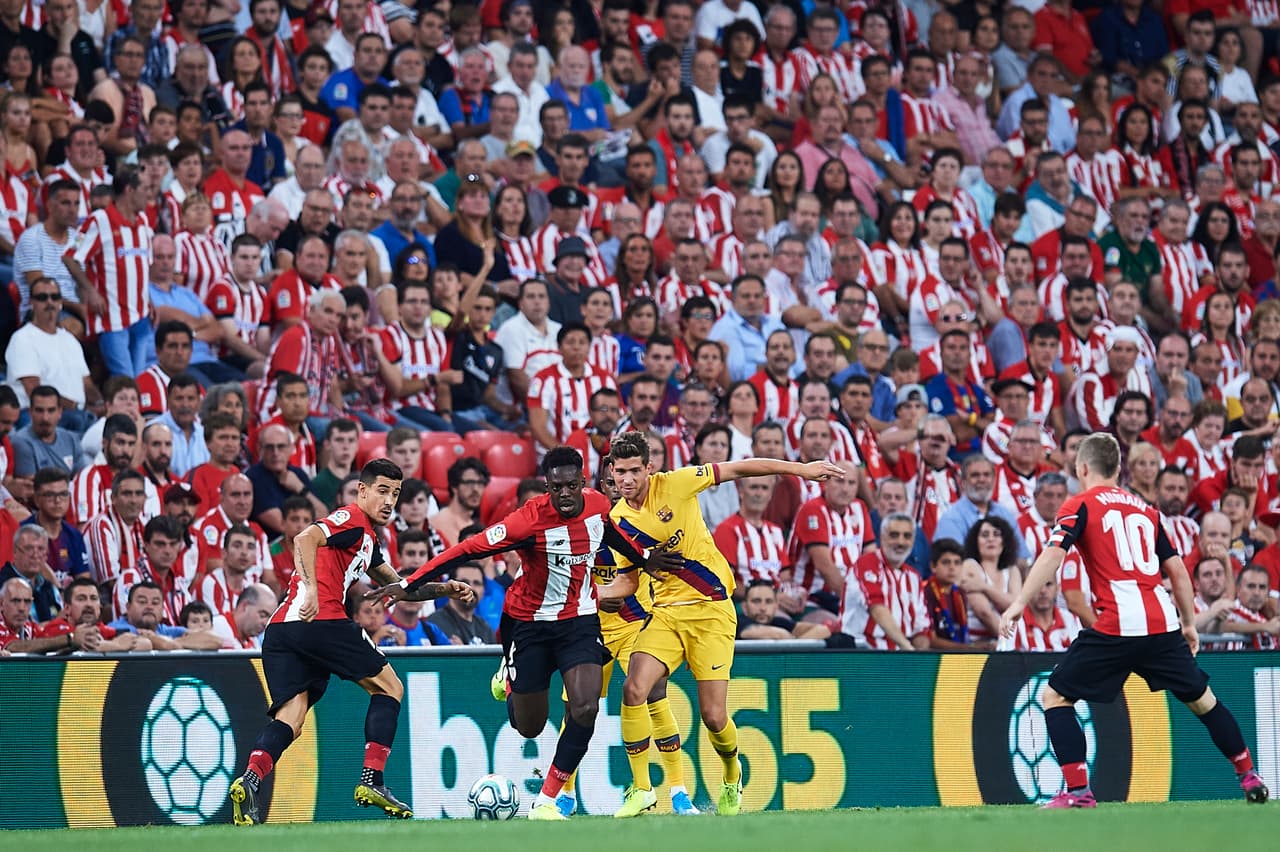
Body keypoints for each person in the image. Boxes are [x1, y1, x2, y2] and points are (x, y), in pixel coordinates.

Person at [372, 445, 681, 821]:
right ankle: (510, 673)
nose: (564, 495)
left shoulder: (599, 505)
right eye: (556, 488)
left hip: (579, 621)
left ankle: (547, 800)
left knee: (585, 708)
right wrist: (410, 582)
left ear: (581, 482)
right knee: (530, 727)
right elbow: (467, 550)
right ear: (547, 487)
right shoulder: (527, 521)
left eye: (570, 486)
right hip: (529, 625)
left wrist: (645, 559)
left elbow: (611, 533)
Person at [998, 432, 1270, 808]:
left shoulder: (1079, 503)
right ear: (1119, 469)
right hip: (1162, 623)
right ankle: (1248, 774)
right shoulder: (1145, 510)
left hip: (1116, 624)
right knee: (1203, 701)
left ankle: (1078, 792)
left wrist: (1018, 603)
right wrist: (1188, 623)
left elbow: (1053, 555)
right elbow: (1176, 570)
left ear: (1082, 468)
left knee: (1055, 696)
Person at [602, 431, 843, 817]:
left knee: (713, 717)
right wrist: (590, 596)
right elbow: (630, 579)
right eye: (620, 473)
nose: (626, 480)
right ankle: (641, 789)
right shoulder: (617, 521)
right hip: (666, 614)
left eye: (634, 471)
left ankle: (732, 774)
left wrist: (802, 470)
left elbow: (742, 468)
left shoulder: (678, 483)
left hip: (712, 610)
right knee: (634, 688)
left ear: (649, 468)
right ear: (611, 472)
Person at [227, 459, 475, 825]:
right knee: (390, 688)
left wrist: (444, 588)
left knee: (291, 720)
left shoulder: (368, 541)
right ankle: (371, 780)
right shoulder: (351, 519)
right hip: (319, 619)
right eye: (382, 491)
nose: (389, 501)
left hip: (282, 631)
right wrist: (312, 590)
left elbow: (400, 589)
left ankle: (249, 780)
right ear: (362, 491)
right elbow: (304, 537)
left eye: (395, 493)